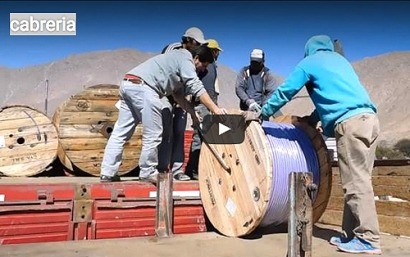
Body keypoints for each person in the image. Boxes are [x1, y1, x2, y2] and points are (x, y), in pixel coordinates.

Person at [261, 35, 381, 255]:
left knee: (355, 184)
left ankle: (368, 239)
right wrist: (313, 119)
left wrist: (263, 112)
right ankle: (351, 235)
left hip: (351, 124)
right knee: (359, 181)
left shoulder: (310, 62)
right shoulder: (341, 62)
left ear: (309, 50)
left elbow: (286, 90)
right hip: (369, 120)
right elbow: (334, 100)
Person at [100, 45, 226, 185]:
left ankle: (107, 172)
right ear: (196, 58)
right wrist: (215, 109)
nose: (203, 69)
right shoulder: (186, 58)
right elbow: (196, 86)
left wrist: (193, 114)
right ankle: (147, 172)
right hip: (145, 88)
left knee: (120, 132)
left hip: (128, 84)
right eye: (204, 64)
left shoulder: (176, 62)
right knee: (154, 132)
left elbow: (178, 96)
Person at [160, 27, 208, 181]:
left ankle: (176, 170)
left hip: (182, 100)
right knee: (165, 133)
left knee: (179, 133)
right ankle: (161, 169)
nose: (198, 45)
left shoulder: (195, 57)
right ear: (189, 40)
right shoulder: (172, 49)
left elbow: (191, 80)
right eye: (196, 42)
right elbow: (169, 72)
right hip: (166, 97)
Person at [185, 39, 223, 180]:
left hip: (209, 105)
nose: (217, 54)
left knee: (204, 137)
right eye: (216, 51)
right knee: (199, 137)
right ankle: (193, 170)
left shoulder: (212, 65)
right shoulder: (203, 65)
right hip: (202, 105)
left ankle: (195, 169)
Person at [235, 49, 281, 117]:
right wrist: (249, 102)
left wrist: (263, 108)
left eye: (257, 62)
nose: (255, 65)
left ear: (263, 61)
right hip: (246, 108)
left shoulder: (267, 74)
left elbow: (271, 93)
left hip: (261, 110)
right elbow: (239, 88)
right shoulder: (244, 71)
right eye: (253, 62)